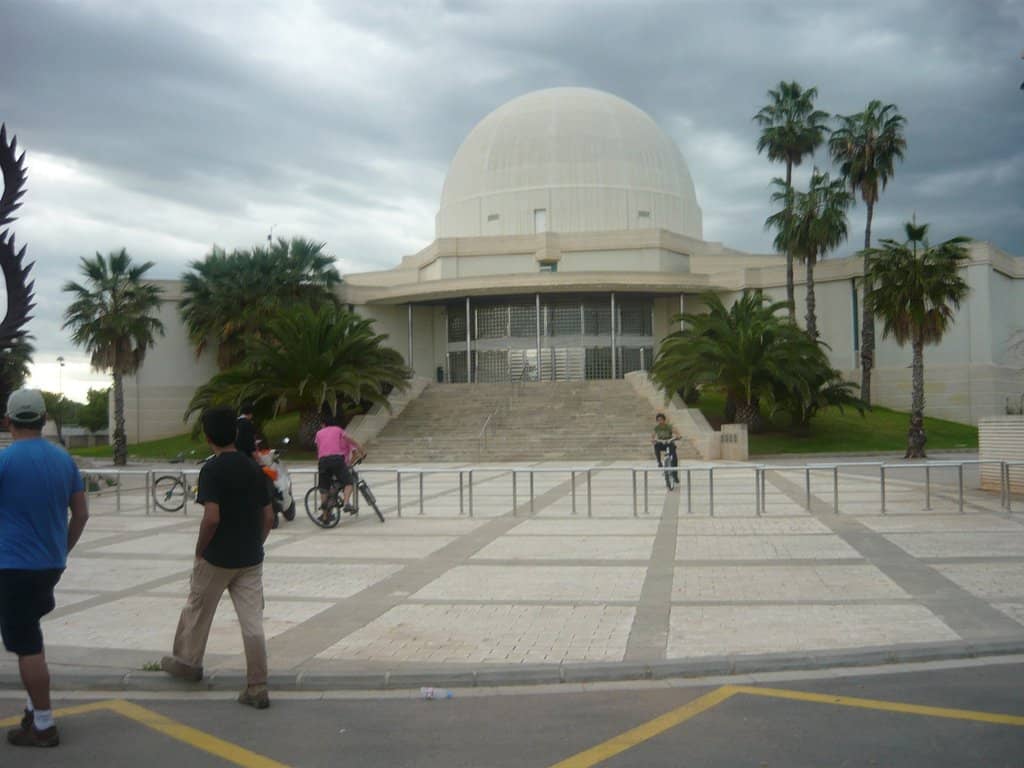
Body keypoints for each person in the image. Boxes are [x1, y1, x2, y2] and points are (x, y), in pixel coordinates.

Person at [161, 405, 274, 709]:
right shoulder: (254, 468)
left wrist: (200, 551)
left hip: (217, 558)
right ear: (236, 433)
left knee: (198, 610)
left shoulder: (211, 469)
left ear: (209, 437)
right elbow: (268, 515)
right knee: (252, 623)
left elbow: (212, 518)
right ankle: (257, 685)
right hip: (250, 558)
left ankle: (188, 663)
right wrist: (257, 543)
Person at [0, 389, 88, 748]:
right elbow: (81, 513)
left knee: (26, 645)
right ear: (43, 418)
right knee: (30, 637)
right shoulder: (64, 461)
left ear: (8, 421)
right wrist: (61, 550)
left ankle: (44, 724)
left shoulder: (5, 462)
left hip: (12, 566)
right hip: (49, 564)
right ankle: (34, 712)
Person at [314, 413, 364, 522]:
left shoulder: (319, 433)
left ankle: (325, 516)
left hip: (323, 461)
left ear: (323, 424)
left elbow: (319, 448)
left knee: (324, 488)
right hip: (337, 459)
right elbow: (350, 439)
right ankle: (346, 503)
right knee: (348, 481)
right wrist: (360, 448)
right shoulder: (338, 430)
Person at [652, 413, 681, 484]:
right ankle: (659, 462)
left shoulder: (669, 427)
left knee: (674, 458)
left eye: (661, 420)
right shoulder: (656, 428)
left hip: (669, 442)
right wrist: (653, 440)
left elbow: (677, 434)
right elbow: (653, 436)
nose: (660, 421)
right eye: (658, 420)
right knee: (656, 445)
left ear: (664, 420)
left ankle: (675, 476)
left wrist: (677, 437)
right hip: (661, 443)